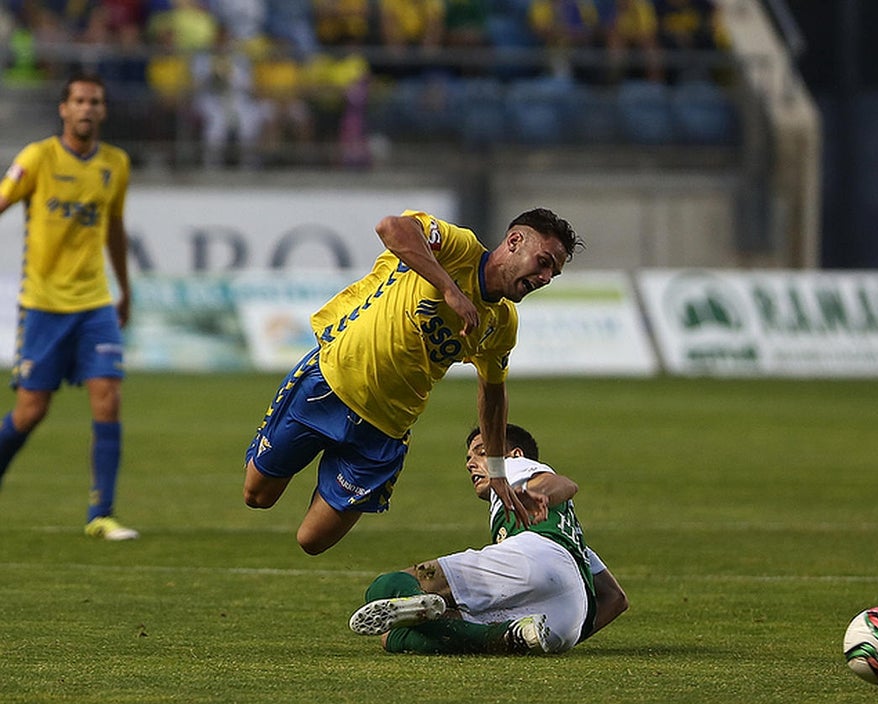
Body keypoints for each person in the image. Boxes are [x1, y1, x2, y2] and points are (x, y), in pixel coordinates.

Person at [244, 208, 582, 555]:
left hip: (384, 430)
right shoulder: (458, 247)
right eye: (543, 262)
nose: (544, 277)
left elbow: (493, 393)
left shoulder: (502, 324)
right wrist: (449, 289)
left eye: (553, 274)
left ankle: (336, 469)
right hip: (330, 383)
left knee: (312, 541)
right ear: (514, 241)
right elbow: (391, 228)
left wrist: (496, 470)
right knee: (257, 496)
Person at [347, 423, 629, 654]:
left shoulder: (514, 468)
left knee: (385, 587)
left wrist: (542, 495)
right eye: (469, 458)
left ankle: (426, 603)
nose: (471, 463)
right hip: (565, 621)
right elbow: (616, 599)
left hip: (534, 561)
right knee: (393, 637)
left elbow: (563, 484)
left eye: (481, 453)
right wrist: (571, 633)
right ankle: (507, 636)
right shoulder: (571, 537)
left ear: (515, 455)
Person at [0, 73, 137, 540]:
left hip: (95, 303)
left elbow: (115, 228)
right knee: (30, 411)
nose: (86, 108)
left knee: (108, 397)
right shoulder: (37, 158)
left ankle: (101, 514)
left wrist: (125, 289)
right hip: (41, 305)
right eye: (78, 100)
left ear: (102, 110)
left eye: (94, 101)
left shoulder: (116, 164)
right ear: (63, 109)